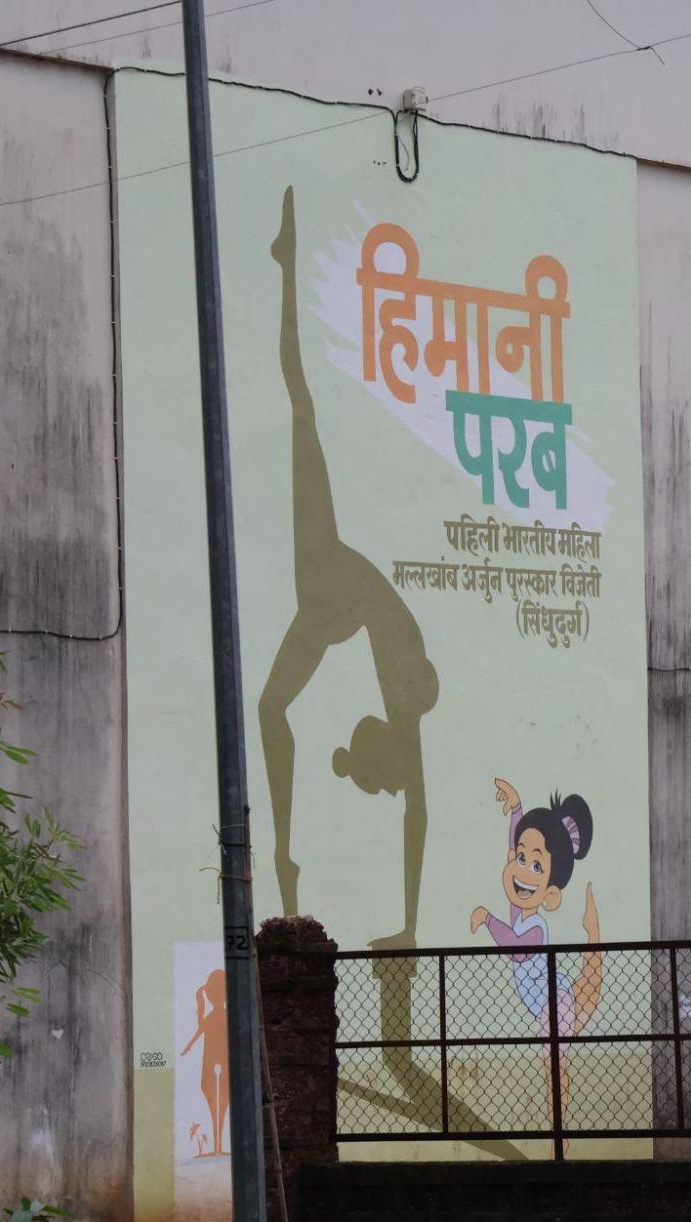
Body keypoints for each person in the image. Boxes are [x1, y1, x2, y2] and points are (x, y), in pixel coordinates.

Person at [260, 186, 440, 947]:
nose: (371, 769)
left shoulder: (391, 680)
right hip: (331, 578)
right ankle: (286, 265)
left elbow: (415, 807)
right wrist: (404, 919)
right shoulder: (401, 687)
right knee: (299, 402)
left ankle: (280, 855)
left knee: (271, 709)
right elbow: (417, 808)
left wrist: (406, 922)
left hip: (328, 593)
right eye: (375, 770)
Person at [471, 780, 605, 1069]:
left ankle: (557, 1107)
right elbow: (517, 840)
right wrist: (516, 808)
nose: (522, 870)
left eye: (536, 866)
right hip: (553, 1000)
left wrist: (487, 919)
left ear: (551, 895)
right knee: (553, 1066)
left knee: (553, 1067)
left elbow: (516, 949)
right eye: (520, 858)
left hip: (556, 1005)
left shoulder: (535, 928)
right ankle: (591, 930)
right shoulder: (519, 913)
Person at [179, 969, 230, 1157]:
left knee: (222, 1101)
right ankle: (216, 1146)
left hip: (221, 1063)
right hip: (210, 1064)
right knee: (212, 1097)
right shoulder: (213, 1016)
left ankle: (217, 1146)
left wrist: (189, 1046)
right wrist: (189, 1047)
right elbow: (200, 1030)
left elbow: (201, 1030)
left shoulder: (223, 1016)